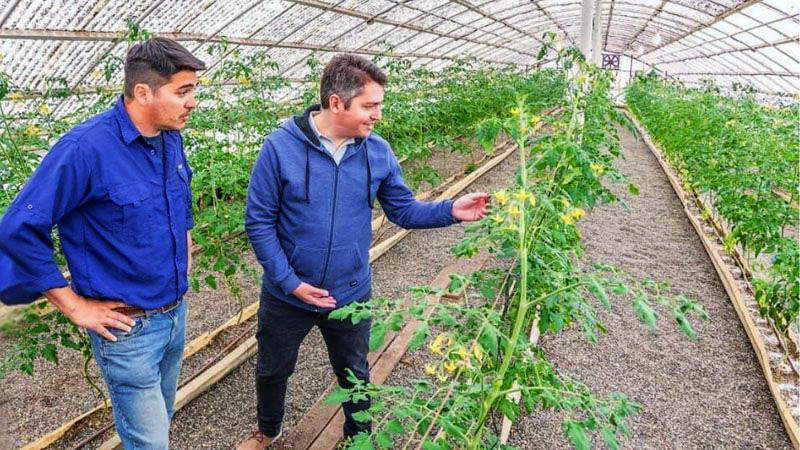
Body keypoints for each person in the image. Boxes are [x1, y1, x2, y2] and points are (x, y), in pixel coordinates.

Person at [240, 54, 490, 449]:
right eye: (370, 106)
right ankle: (268, 430)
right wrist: (290, 283)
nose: (377, 115)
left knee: (354, 371)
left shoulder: (377, 151)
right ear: (337, 103)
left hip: (349, 291)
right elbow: (258, 222)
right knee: (273, 370)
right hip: (288, 295)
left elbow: (403, 210)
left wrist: (450, 210)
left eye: (380, 106)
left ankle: (358, 438)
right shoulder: (279, 148)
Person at [0, 37, 205, 449]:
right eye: (183, 91)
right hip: (128, 328)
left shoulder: (169, 137)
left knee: (161, 420)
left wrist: (182, 251)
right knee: (149, 442)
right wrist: (73, 305)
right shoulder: (85, 149)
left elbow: (178, 202)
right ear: (143, 93)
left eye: (193, 91)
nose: (192, 102)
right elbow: (17, 228)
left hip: (174, 315)